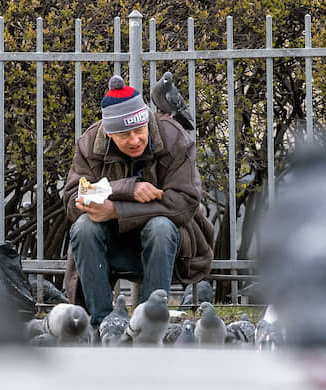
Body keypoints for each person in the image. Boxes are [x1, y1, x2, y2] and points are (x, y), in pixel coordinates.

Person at [63, 75, 215, 328]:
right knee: (84, 227)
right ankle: (102, 323)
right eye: (124, 134)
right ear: (109, 134)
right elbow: (72, 200)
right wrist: (127, 189)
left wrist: (116, 210)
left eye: (139, 130)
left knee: (160, 226)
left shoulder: (174, 137)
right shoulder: (90, 143)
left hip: (169, 248)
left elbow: (185, 202)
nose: (134, 140)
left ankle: (149, 324)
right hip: (111, 245)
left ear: (147, 121)